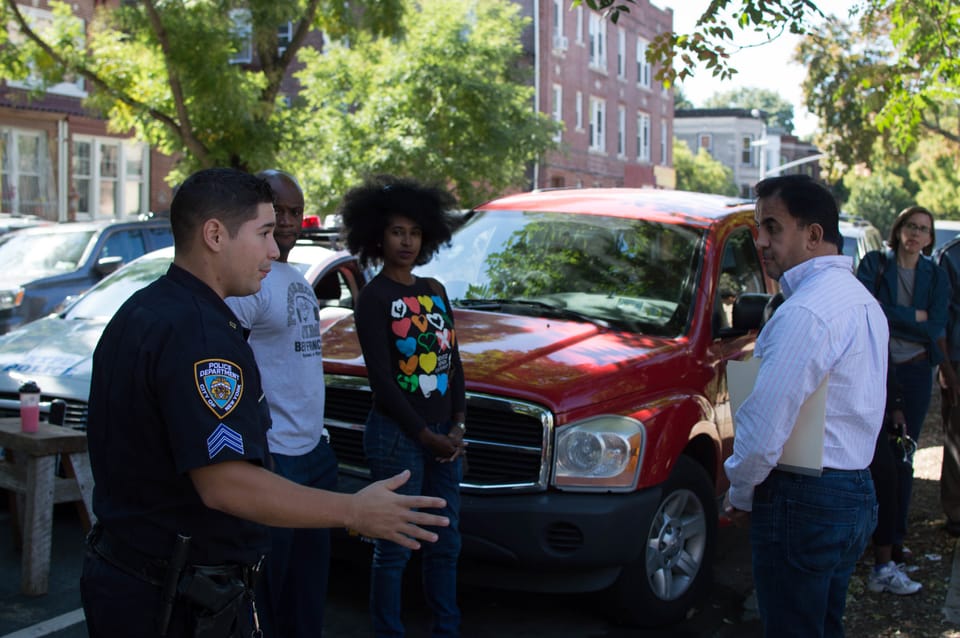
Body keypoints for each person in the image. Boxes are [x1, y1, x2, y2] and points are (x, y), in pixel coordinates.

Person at [80, 167, 449, 638]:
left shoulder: (145, 309)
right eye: (265, 232)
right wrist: (354, 511)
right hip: (170, 600)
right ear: (215, 235)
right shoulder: (200, 335)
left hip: (134, 578)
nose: (275, 250)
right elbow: (226, 484)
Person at [723, 174, 887, 638]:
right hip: (852, 489)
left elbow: (764, 422)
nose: (761, 241)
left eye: (772, 227)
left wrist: (740, 490)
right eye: (758, 228)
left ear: (813, 235)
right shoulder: (861, 301)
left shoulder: (807, 311)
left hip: (805, 496)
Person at [339, 174, 467, 638]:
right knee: (393, 548)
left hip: (442, 436)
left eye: (414, 232)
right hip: (397, 438)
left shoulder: (433, 289)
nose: (407, 241)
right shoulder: (374, 298)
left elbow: (453, 362)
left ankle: (445, 630)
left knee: (445, 542)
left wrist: (457, 423)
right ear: (378, 236)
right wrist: (424, 434)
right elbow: (382, 380)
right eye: (397, 232)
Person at [224, 169, 335, 637]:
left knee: (308, 595)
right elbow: (228, 366)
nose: (288, 222)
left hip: (315, 452)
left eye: (295, 211)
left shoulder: (294, 276)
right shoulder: (248, 284)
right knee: (267, 595)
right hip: (276, 457)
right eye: (278, 212)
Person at [856, 205, 951, 563]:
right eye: (910, 225)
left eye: (924, 229)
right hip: (873, 368)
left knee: (903, 455)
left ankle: (894, 538)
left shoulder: (935, 275)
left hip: (913, 371)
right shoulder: (876, 264)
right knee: (865, 452)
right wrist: (915, 316)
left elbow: (935, 326)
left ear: (929, 239)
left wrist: (895, 315)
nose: (915, 233)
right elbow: (867, 310)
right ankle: (865, 535)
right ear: (898, 229)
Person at [866, 357, 922, 594]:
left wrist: (896, 406)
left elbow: (883, 363)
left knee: (888, 479)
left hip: (871, 415)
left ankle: (883, 565)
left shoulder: (876, 320)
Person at [937, 247, 960, 535]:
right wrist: (945, 367)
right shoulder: (952, 256)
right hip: (958, 359)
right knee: (957, 439)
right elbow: (939, 316)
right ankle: (956, 514)